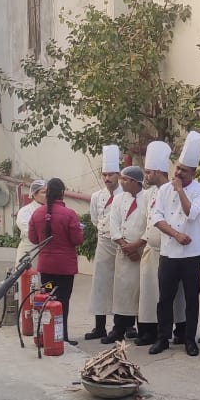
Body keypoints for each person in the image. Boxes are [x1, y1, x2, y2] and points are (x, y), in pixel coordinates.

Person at [150, 131, 200, 356]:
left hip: (192, 254)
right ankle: (162, 338)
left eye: (184, 170)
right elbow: (157, 217)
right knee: (165, 298)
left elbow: (192, 213)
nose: (178, 173)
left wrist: (180, 190)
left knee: (192, 298)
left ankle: (189, 340)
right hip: (169, 252)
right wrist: (175, 235)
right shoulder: (164, 190)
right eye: (177, 168)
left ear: (193, 172)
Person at [138, 142, 184, 346]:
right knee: (149, 295)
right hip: (151, 249)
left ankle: (179, 329)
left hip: (170, 250)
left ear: (158, 172)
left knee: (173, 296)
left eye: (148, 172)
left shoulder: (173, 190)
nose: (146, 176)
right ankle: (150, 331)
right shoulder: (149, 194)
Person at [27, 179, 85, 342]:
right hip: (65, 269)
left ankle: (47, 335)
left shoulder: (37, 214)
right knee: (62, 301)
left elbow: (33, 238)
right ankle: (62, 336)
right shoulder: (69, 214)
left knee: (47, 298)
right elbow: (77, 240)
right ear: (62, 193)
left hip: (46, 268)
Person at [108, 165, 149, 344]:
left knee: (142, 292)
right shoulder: (118, 199)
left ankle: (144, 329)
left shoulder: (148, 198)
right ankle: (119, 329)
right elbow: (114, 224)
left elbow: (151, 224)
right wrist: (125, 246)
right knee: (122, 292)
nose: (121, 182)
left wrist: (137, 245)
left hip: (142, 252)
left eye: (124, 179)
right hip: (124, 252)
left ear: (134, 181)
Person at [84, 146, 121, 341]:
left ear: (118, 175)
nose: (107, 178)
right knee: (100, 285)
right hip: (104, 242)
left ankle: (124, 326)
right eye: (105, 175)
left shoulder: (125, 195)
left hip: (122, 244)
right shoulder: (97, 197)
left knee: (122, 285)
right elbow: (94, 219)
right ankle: (99, 327)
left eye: (111, 174)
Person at [15, 179, 48, 264]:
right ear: (34, 194)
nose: (47, 195)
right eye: (43, 192)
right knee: (29, 271)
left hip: (46, 252)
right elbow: (28, 230)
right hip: (29, 250)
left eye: (48, 192)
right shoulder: (25, 211)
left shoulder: (52, 210)